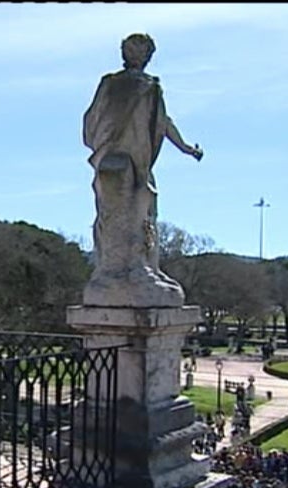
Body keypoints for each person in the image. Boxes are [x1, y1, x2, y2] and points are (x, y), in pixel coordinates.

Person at [82, 33, 203, 302]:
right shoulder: (118, 84)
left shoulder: (146, 86)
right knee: (122, 212)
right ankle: (123, 269)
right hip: (119, 159)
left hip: (133, 159)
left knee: (141, 210)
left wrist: (185, 147)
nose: (139, 55)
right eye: (135, 50)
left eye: (142, 51)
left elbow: (162, 122)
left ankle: (142, 266)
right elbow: (95, 119)